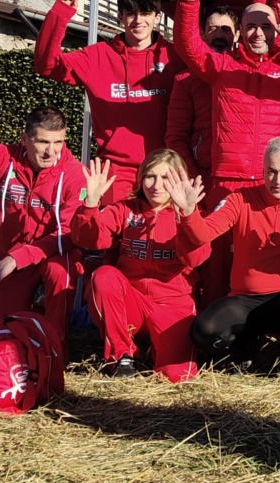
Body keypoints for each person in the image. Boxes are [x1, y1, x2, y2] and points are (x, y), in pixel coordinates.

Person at [173, 0, 280, 305]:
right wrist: (189, 1)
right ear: (241, 32)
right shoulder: (221, 67)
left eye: (267, 29)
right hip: (227, 180)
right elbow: (187, 46)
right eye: (251, 28)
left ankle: (266, 329)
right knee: (217, 262)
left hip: (269, 182)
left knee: (263, 262)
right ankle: (215, 332)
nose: (259, 34)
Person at [171, 137, 280, 368]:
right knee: (203, 332)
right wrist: (189, 211)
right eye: (271, 171)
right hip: (244, 300)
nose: (278, 180)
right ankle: (244, 347)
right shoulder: (240, 199)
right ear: (262, 170)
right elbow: (204, 234)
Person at [71, 151, 209, 382]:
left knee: (177, 376)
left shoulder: (191, 214)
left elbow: (197, 259)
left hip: (171, 306)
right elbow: (87, 239)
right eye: (149, 176)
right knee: (104, 276)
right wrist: (91, 204)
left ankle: (151, 348)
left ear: (179, 180)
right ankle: (121, 353)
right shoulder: (125, 210)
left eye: (165, 178)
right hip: (130, 303)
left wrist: (187, 216)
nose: (156, 185)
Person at [34, 0, 179, 202]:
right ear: (121, 17)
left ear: (157, 17)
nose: (138, 20)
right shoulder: (98, 56)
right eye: (131, 14)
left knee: (161, 234)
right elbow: (46, 66)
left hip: (164, 168)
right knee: (112, 233)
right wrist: (59, 15)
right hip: (115, 171)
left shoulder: (174, 57)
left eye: (146, 13)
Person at [0, 106, 85, 358]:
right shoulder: (3, 159)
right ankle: (30, 317)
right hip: (12, 262)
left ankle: (55, 348)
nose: (51, 151)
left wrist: (15, 258)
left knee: (60, 272)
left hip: (51, 255)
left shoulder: (75, 175)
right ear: (24, 138)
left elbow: (68, 234)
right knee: (2, 336)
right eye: (42, 141)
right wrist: (10, 259)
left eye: (58, 142)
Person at [166, 5, 238, 181]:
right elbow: (176, 137)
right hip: (202, 173)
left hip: (238, 172)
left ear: (237, 34)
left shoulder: (247, 74)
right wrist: (193, 177)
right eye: (213, 29)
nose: (219, 35)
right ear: (203, 33)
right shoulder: (185, 80)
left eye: (226, 29)